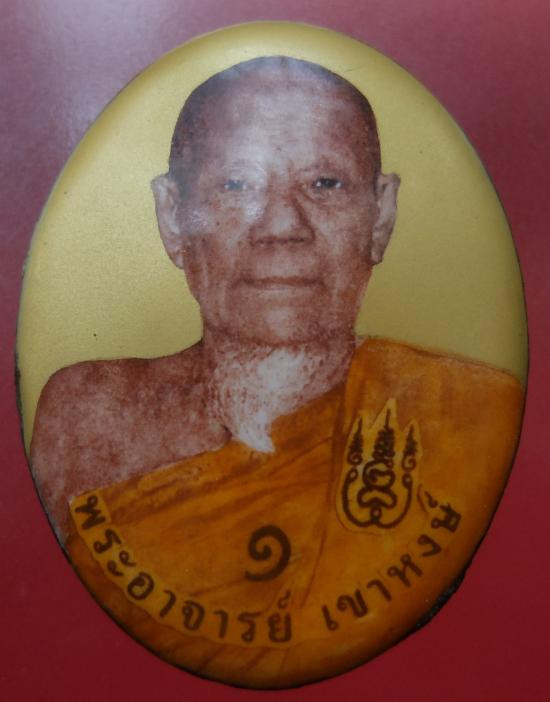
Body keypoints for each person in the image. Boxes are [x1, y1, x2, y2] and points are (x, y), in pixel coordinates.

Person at [29, 56, 524, 688]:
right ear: (172, 216)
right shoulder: (91, 418)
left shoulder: (469, 416)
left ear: (380, 216)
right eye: (237, 185)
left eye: (325, 184)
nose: (283, 226)